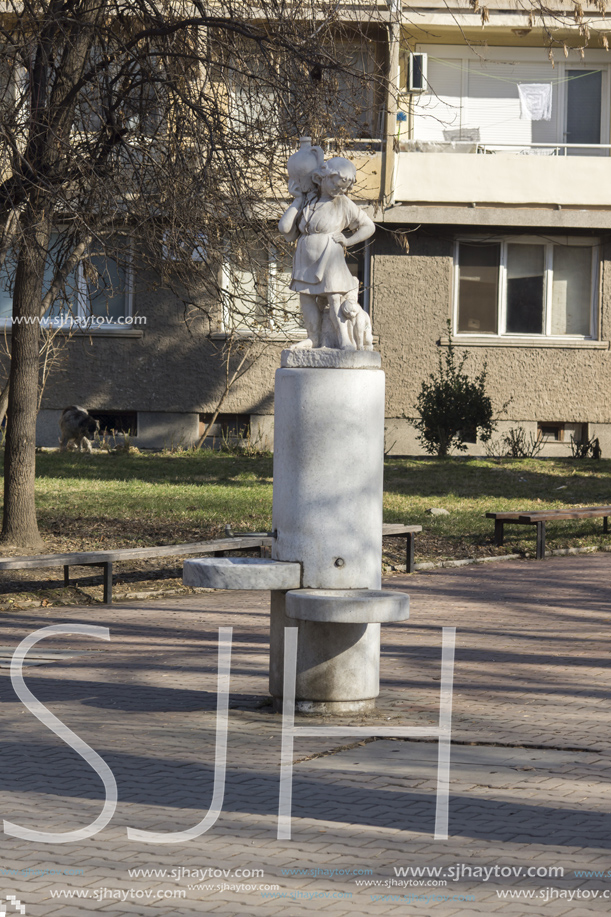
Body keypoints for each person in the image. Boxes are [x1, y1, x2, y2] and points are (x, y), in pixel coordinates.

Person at [278, 156, 375, 350]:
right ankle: (313, 337)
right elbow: (284, 227)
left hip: (330, 255)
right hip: (305, 255)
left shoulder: (343, 203)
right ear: (323, 177)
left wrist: (348, 241)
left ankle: (344, 339)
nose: (339, 191)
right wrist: (297, 200)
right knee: (306, 297)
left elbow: (368, 226)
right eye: (336, 185)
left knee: (334, 297)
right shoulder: (308, 200)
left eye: (343, 188)